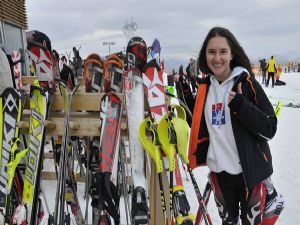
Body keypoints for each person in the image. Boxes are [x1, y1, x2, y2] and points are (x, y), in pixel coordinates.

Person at [178, 27, 284, 224]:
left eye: (222, 51)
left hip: (249, 175)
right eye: (211, 52)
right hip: (220, 174)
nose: (217, 58)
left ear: (232, 53)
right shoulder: (205, 87)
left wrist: (242, 106)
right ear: (205, 56)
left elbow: (269, 128)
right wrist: (182, 89)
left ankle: (271, 197)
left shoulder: (246, 81)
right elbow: (200, 123)